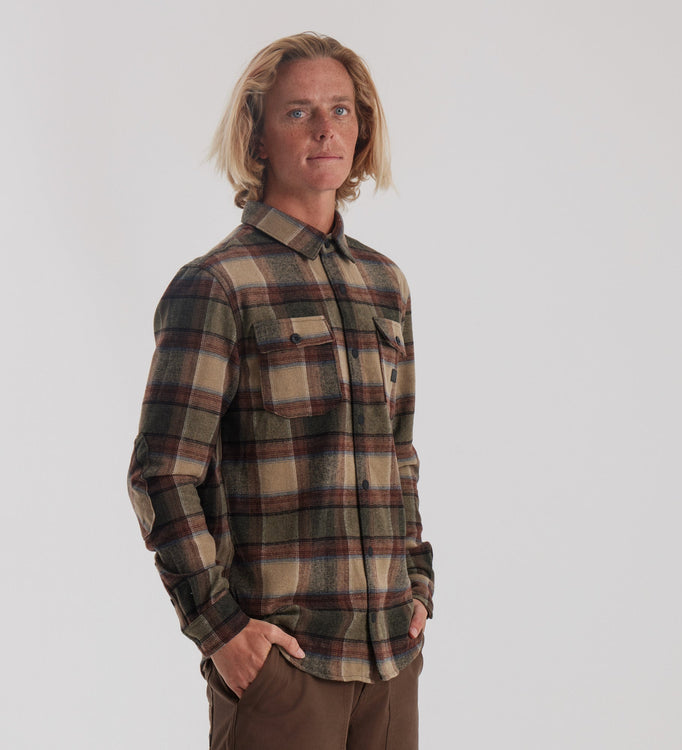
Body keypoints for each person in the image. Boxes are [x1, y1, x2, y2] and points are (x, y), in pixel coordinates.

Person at [128, 31, 434, 750]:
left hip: (392, 661)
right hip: (285, 667)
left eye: (341, 109)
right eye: (299, 112)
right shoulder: (218, 285)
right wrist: (222, 631)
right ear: (258, 136)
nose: (326, 128)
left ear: (362, 129)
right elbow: (162, 473)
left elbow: (398, 452)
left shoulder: (384, 283)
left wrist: (417, 587)